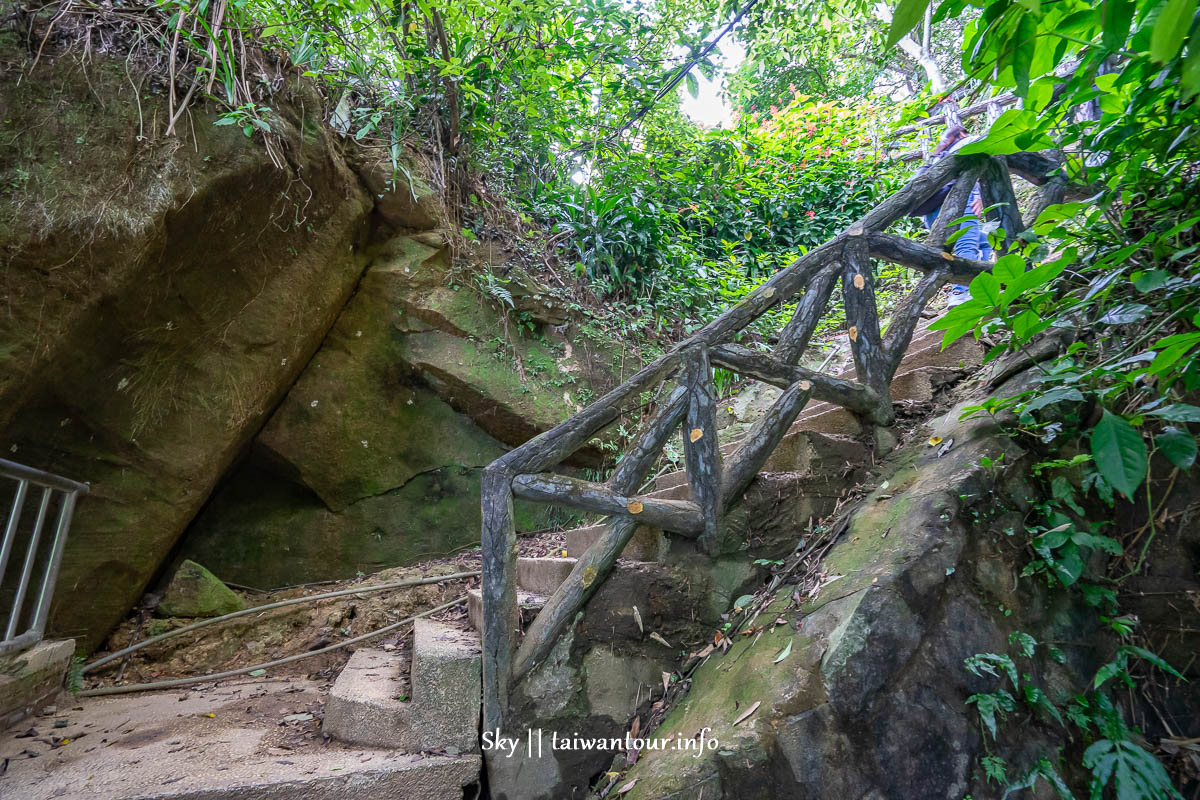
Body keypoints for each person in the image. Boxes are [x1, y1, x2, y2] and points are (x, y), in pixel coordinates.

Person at [909, 125, 992, 308]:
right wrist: (978, 194)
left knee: (984, 241)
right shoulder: (967, 142)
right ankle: (960, 293)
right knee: (967, 243)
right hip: (959, 199)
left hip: (932, 211)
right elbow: (975, 166)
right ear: (961, 134)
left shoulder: (938, 157)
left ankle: (982, 284)